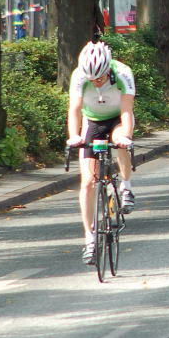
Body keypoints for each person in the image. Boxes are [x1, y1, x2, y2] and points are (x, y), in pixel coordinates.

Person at [66, 40, 136, 265]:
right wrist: (74, 136)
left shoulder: (123, 73)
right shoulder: (79, 76)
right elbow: (74, 110)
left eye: (101, 77)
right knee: (87, 182)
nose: (96, 82)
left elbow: (126, 111)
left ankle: (126, 187)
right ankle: (89, 239)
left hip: (117, 118)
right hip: (92, 121)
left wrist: (126, 136)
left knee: (119, 140)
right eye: (92, 78)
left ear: (108, 69)